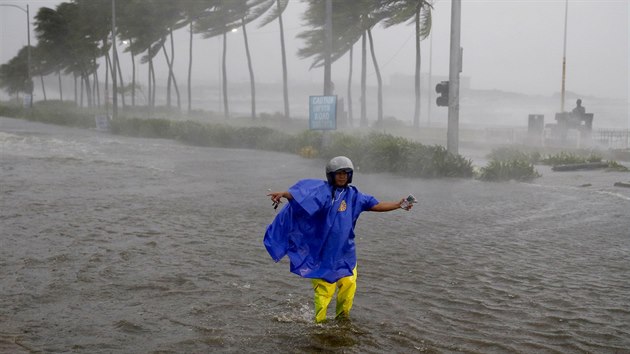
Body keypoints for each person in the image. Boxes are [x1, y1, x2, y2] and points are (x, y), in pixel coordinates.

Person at [264, 156, 413, 323]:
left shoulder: (355, 196)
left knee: (348, 287)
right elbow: (303, 196)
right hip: (323, 255)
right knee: (324, 293)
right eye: (339, 173)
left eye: (346, 173)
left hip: (346, 254)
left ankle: (342, 321)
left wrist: (398, 205)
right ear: (331, 175)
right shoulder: (322, 192)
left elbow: (376, 205)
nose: (342, 176)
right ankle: (318, 326)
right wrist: (284, 194)